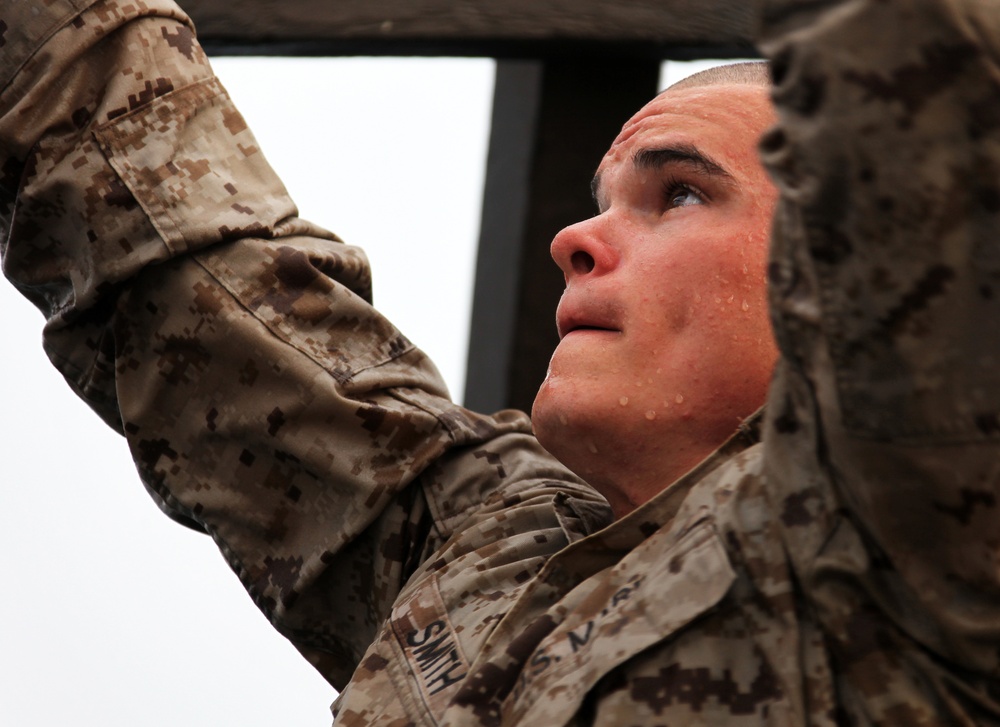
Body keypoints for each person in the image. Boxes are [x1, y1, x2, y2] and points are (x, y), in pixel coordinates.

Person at [3, 0, 1000, 725]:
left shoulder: (913, 546)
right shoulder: (488, 549)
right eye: (602, 199)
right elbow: (178, 255)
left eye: (683, 193)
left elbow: (930, 88)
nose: (575, 236)